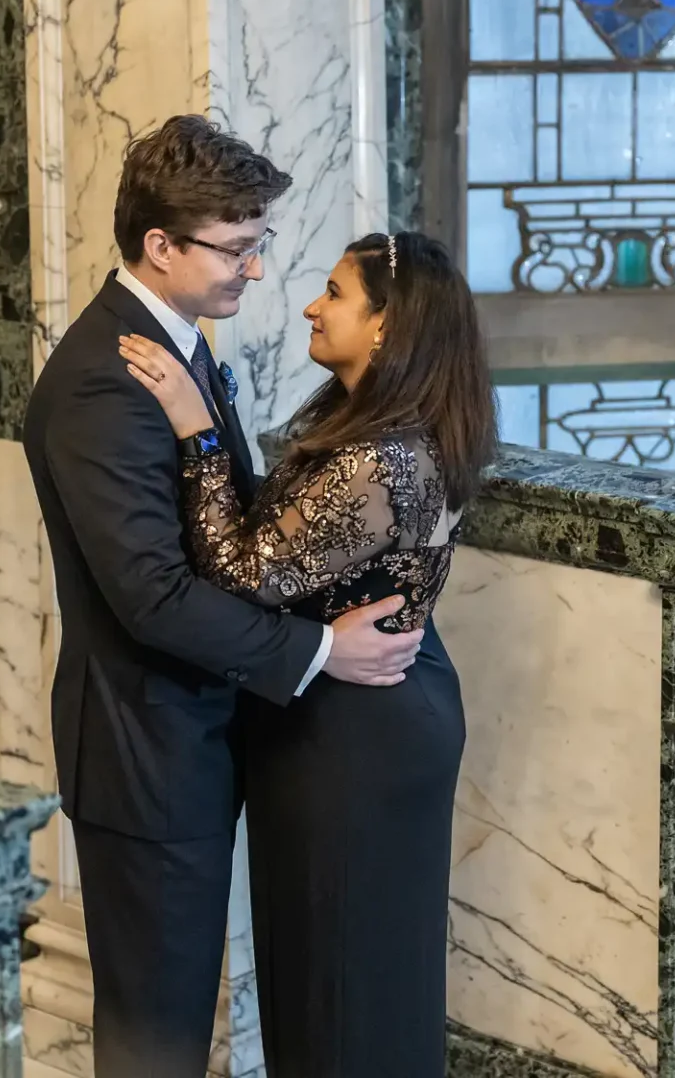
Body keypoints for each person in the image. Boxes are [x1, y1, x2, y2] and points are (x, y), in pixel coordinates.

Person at [21, 116, 426, 1077]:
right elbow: (153, 597)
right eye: (236, 249)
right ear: (160, 247)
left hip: (198, 729)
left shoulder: (179, 346)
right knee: (154, 1034)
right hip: (146, 749)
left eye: (258, 245)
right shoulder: (101, 384)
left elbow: (225, 532)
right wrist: (326, 651)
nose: (255, 270)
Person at [117, 227, 496, 1078]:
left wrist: (195, 428)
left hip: (359, 731)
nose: (310, 305)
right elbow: (284, 544)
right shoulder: (370, 423)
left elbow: (244, 571)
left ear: (387, 328)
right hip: (361, 703)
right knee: (335, 973)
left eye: (335, 294)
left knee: (343, 984)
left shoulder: (388, 459)